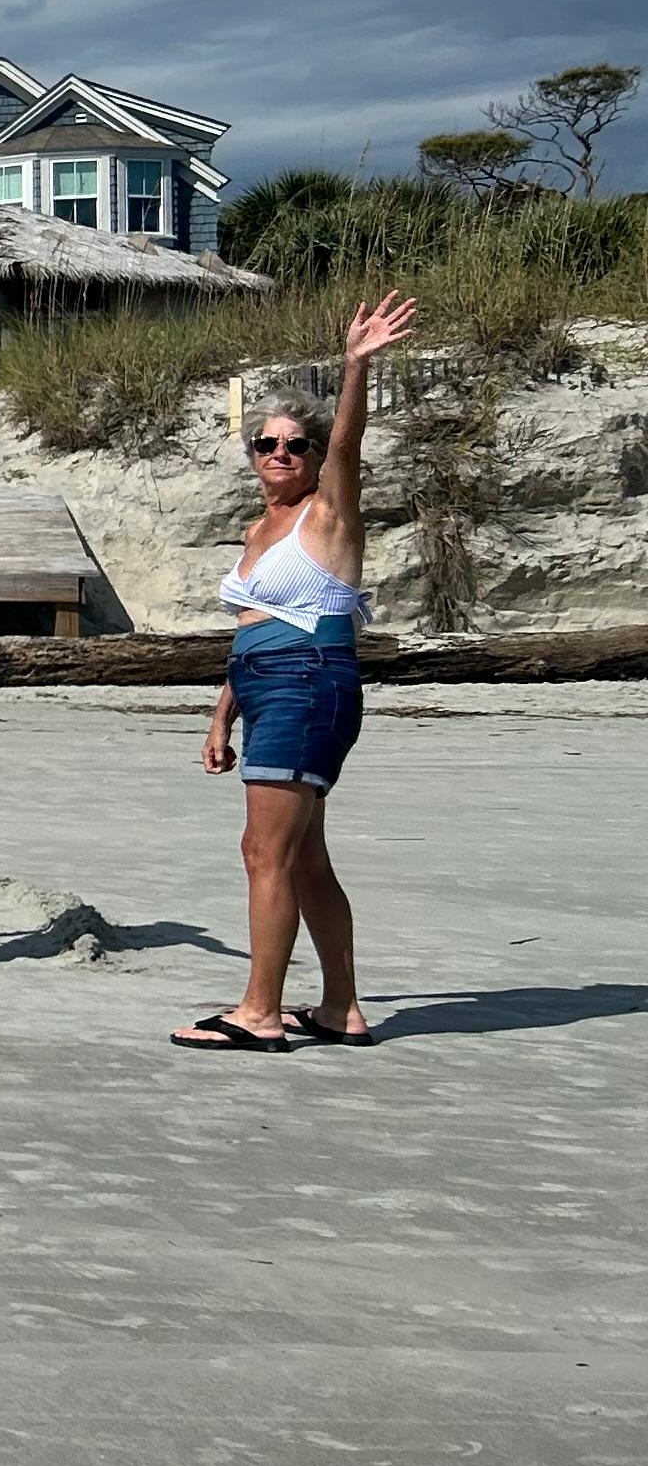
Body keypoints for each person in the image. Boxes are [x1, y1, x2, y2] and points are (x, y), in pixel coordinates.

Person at [175, 291, 419, 1052]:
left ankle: (259, 1011)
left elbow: (348, 446)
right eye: (266, 444)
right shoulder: (257, 528)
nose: (281, 454)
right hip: (266, 684)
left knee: (263, 853)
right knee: (304, 856)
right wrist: (222, 715)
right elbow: (251, 626)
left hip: (308, 681)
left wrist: (355, 367)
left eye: (295, 446)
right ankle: (340, 1007)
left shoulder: (328, 513)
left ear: (313, 457)